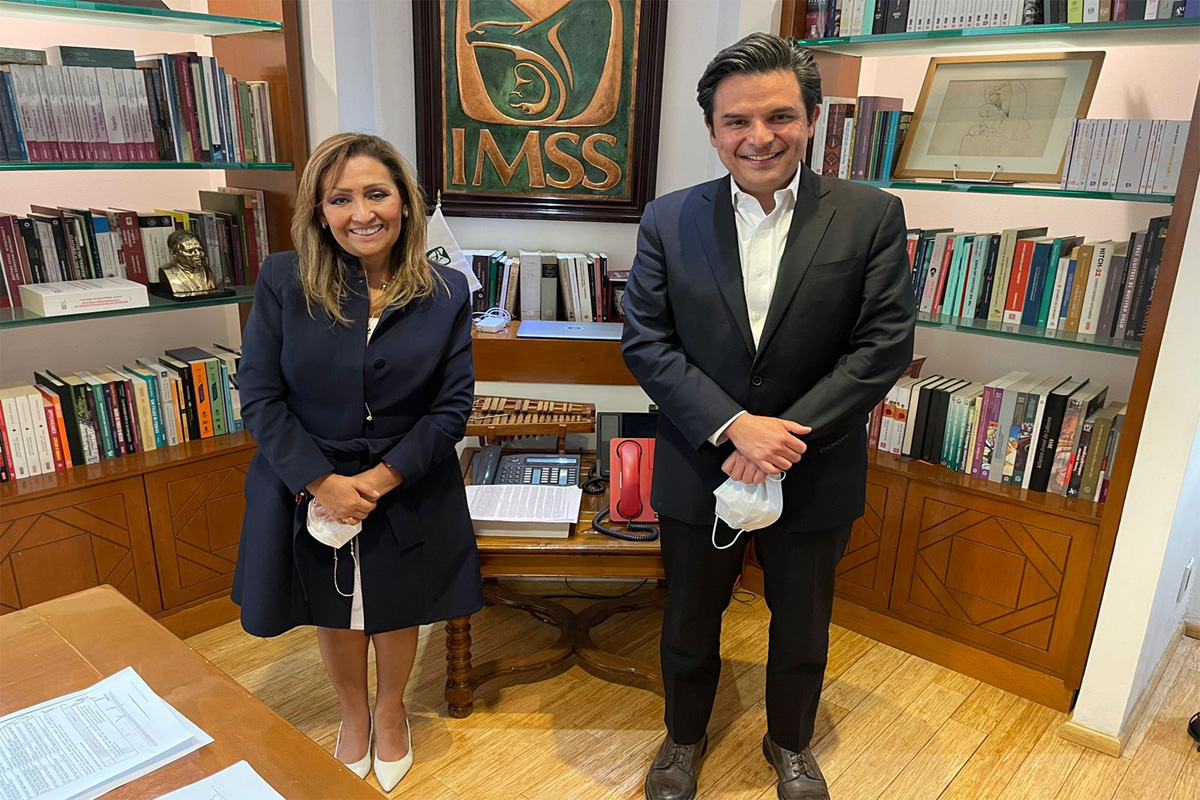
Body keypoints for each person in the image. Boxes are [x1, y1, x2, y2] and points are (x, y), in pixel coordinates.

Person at [621, 33, 917, 800]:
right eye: (738, 121)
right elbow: (647, 343)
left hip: (816, 465)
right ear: (712, 129)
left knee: (803, 626)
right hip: (700, 461)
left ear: (811, 119)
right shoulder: (667, 219)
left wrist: (781, 438)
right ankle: (683, 737)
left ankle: (790, 741)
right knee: (688, 620)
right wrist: (733, 426)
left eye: (780, 116)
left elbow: (883, 346)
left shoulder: (870, 215)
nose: (760, 136)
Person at [233, 132, 483, 791]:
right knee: (335, 603)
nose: (361, 213)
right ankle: (353, 715)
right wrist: (322, 482)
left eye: (376, 194)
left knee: (395, 603)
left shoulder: (447, 290)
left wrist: (377, 480)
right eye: (340, 198)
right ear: (319, 211)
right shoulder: (283, 280)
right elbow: (259, 394)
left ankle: (391, 711)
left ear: (405, 202)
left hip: (407, 477)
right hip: (307, 478)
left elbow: (452, 407)